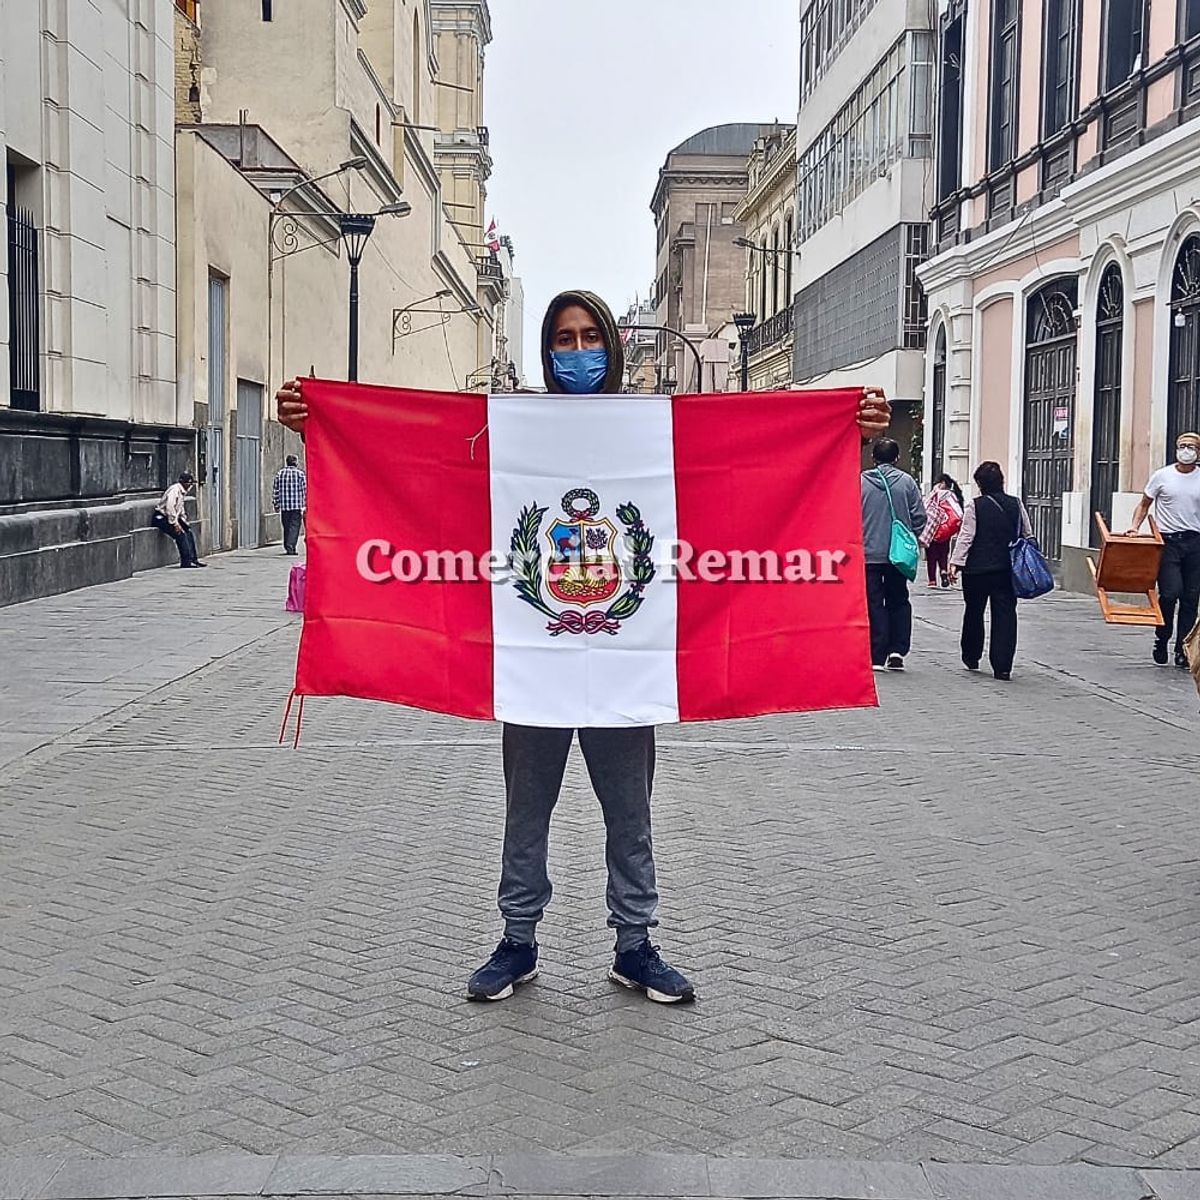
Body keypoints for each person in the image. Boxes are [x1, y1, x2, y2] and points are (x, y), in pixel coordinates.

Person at [274, 290, 892, 1003]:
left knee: (631, 814)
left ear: (614, 346)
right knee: (525, 812)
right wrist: (318, 422)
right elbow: (412, 459)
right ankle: (517, 939)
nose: (576, 353)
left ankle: (635, 944)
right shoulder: (509, 428)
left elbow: (749, 468)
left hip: (625, 665)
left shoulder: (653, 428)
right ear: (547, 350)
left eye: (589, 337)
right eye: (563, 340)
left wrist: (844, 427)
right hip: (533, 665)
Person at [947, 461, 1033, 681]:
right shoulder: (1016, 504)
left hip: (977, 570)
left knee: (974, 612)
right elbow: (1027, 533)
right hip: (1006, 569)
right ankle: (1002, 666)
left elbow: (967, 536)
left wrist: (955, 563)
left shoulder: (975, 506)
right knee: (1005, 615)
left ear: (980, 484)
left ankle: (971, 655)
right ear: (1001, 481)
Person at [1125, 431, 1200, 670]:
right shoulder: (1162, 476)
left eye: (1192, 446)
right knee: (1169, 593)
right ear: (1176, 449)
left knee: (1190, 598)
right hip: (1168, 543)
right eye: (1183, 445)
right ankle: (1162, 637)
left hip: (1195, 543)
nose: (1187, 450)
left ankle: (1183, 650)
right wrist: (1134, 527)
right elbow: (1144, 504)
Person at [861, 438, 926, 671]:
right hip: (898, 554)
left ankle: (876, 654)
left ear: (873, 458)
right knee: (899, 599)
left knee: (873, 601)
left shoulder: (860, 482)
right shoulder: (907, 482)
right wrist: (910, 533)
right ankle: (897, 650)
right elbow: (920, 516)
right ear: (897, 459)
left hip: (868, 553)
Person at [152, 472, 205, 568]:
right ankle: (186, 562)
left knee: (188, 532)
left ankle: (193, 559)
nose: (190, 486)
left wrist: (184, 522)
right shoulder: (174, 490)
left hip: (173, 517)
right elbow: (170, 507)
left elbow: (180, 509)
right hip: (161, 517)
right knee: (180, 535)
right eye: (189, 483)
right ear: (183, 483)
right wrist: (175, 524)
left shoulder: (182, 492)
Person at [920, 474, 964, 589]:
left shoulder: (934, 494)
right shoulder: (951, 496)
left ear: (942, 483)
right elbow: (958, 512)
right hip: (945, 530)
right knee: (943, 553)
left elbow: (924, 507)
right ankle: (943, 571)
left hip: (932, 529)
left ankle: (932, 580)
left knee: (931, 556)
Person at [272, 454, 308, 555]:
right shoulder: (300, 474)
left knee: (286, 526)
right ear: (295, 462)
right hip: (296, 505)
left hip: (284, 506)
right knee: (294, 526)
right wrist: (306, 504)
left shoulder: (280, 474)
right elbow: (305, 490)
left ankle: (287, 545)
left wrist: (276, 504)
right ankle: (291, 546)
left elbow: (276, 490)